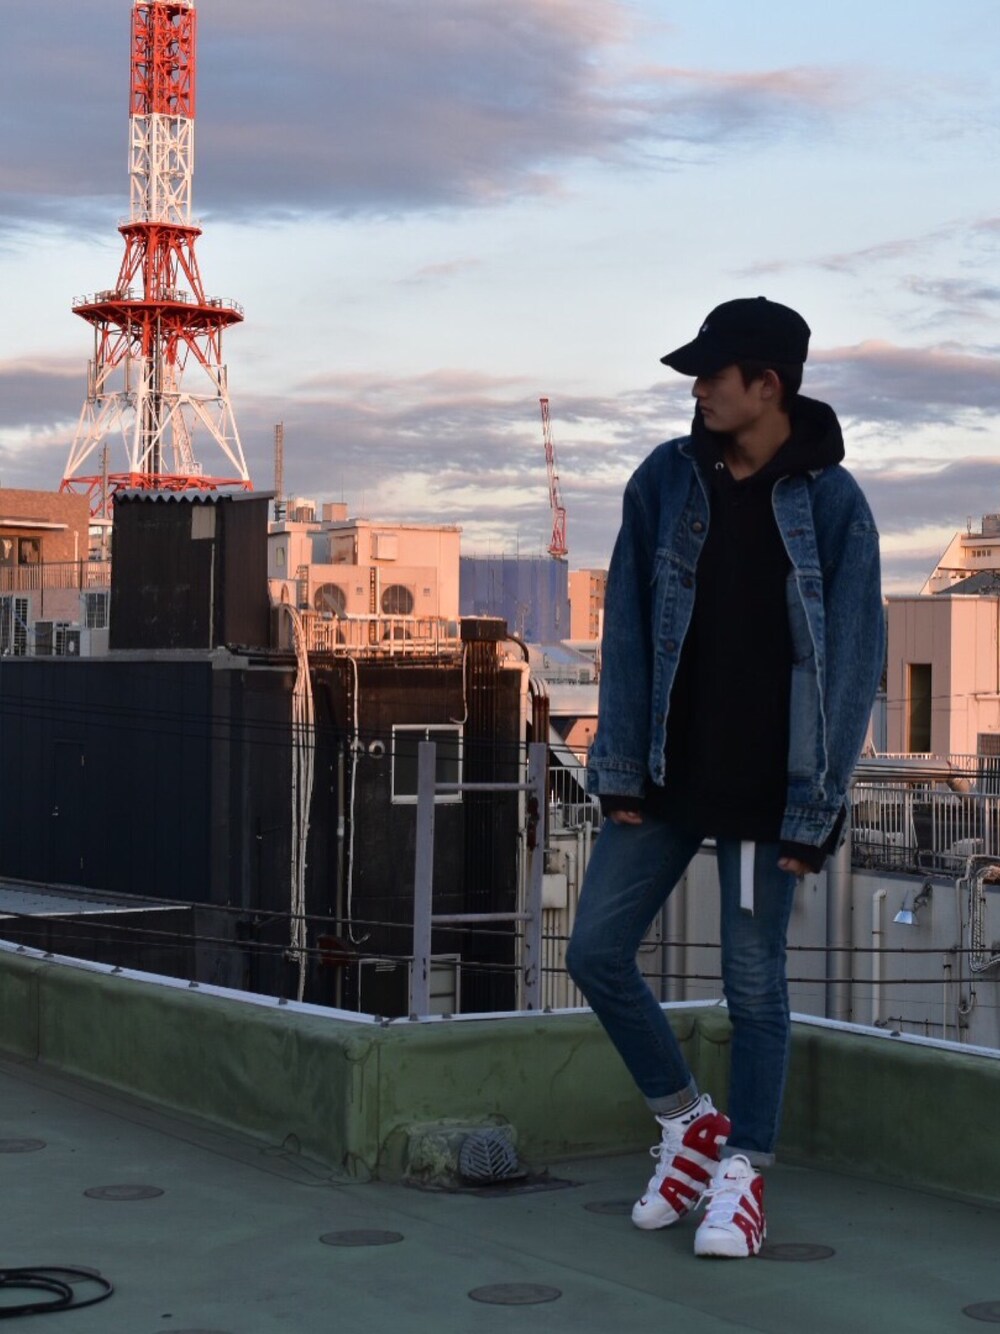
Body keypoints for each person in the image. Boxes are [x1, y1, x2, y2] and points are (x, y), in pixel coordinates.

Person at [566, 297, 884, 1259]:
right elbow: (628, 628)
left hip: (767, 793)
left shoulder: (834, 504)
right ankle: (688, 1121)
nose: (697, 390)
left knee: (754, 985)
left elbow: (853, 665)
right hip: (664, 774)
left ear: (767, 385)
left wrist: (816, 810)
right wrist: (620, 765)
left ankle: (742, 1175)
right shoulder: (666, 480)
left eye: (712, 374)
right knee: (595, 952)